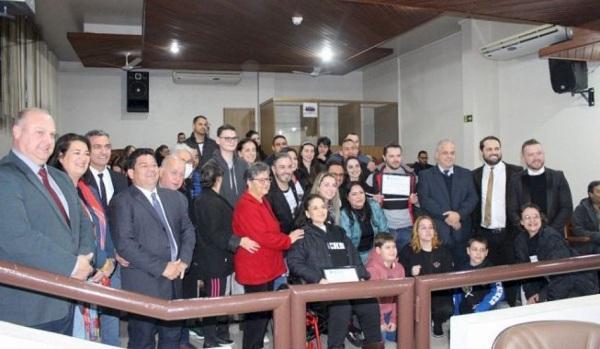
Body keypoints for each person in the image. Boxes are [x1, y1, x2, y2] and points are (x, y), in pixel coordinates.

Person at [0, 108, 94, 335]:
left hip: (64, 299)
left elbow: (82, 223)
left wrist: (85, 256)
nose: (47, 141)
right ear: (17, 132)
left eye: (52, 135)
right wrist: (72, 265)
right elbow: (17, 238)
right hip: (28, 306)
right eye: (40, 132)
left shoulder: (59, 177)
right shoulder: (5, 177)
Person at [109, 148, 196, 349]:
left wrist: (183, 261)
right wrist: (163, 267)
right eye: (143, 165)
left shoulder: (175, 198)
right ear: (130, 173)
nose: (151, 169)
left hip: (175, 280)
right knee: (143, 339)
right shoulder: (122, 201)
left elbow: (188, 230)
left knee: (172, 337)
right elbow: (125, 243)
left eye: (154, 165)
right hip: (143, 282)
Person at [287, 194, 383, 349]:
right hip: (321, 288)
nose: (321, 211)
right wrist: (317, 278)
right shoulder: (302, 235)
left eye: (323, 207)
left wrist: (361, 276)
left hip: (348, 285)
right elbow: (294, 263)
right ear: (307, 213)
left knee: (369, 303)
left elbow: (354, 257)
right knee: (342, 306)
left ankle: (374, 345)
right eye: (315, 208)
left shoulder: (338, 232)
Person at [49, 133, 119, 344]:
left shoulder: (87, 190)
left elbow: (103, 226)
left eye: (86, 153)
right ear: (60, 156)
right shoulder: (53, 190)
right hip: (72, 271)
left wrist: (108, 261)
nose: (83, 158)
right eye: (76, 153)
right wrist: (96, 262)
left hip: (98, 267)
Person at [187, 159, 259, 348]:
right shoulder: (209, 201)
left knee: (219, 299)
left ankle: (217, 335)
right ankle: (210, 340)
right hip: (214, 260)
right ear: (219, 178)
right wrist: (238, 241)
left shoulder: (205, 198)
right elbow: (215, 233)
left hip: (217, 258)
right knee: (215, 300)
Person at [232, 162, 304, 349]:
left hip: (267, 265)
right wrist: (287, 240)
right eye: (262, 180)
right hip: (255, 268)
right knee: (256, 317)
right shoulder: (246, 205)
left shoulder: (262, 200)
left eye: (268, 179)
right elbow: (262, 237)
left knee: (263, 314)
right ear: (249, 182)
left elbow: (272, 230)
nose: (267, 183)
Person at [514, 203, 598, 304]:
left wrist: (544, 297)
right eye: (527, 218)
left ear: (541, 218)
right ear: (521, 222)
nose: (532, 221)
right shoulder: (520, 241)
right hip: (548, 285)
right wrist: (532, 293)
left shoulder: (551, 237)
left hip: (573, 286)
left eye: (536, 217)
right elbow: (524, 272)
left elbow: (562, 273)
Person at [417, 139, 478, 266]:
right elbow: (425, 200)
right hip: (438, 234)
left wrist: (458, 215)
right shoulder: (425, 175)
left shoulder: (466, 174)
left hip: (461, 232)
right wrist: (447, 217)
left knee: (462, 271)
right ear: (437, 155)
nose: (449, 156)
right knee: (439, 273)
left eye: (452, 153)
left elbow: (473, 198)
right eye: (445, 153)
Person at [399, 216, 454, 337]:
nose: (428, 231)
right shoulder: (407, 250)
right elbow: (400, 275)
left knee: (446, 309)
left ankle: (437, 321)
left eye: (431, 227)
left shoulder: (443, 250)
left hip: (438, 291)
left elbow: (449, 276)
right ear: (416, 231)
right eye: (423, 228)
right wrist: (410, 272)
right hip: (415, 292)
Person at [472, 136, 522, 266]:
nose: (494, 152)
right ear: (481, 152)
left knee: (511, 276)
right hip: (484, 235)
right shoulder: (474, 175)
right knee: (488, 276)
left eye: (497, 148)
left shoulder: (517, 172)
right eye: (489, 149)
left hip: (510, 234)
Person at [508, 139, 572, 234]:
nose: (536, 157)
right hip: (526, 236)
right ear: (523, 158)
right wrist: (528, 229)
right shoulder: (515, 179)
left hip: (554, 236)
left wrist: (550, 231)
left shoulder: (558, 177)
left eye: (539, 153)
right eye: (531, 155)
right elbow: (512, 210)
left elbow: (566, 207)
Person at [366, 143, 417, 250]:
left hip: (407, 227)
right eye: (391, 156)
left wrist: (416, 201)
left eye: (398, 156)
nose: (395, 159)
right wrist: (372, 200)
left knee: (406, 262)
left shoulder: (412, 177)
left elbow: (421, 200)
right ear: (384, 157)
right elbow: (363, 202)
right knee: (385, 263)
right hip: (385, 228)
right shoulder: (373, 177)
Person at [365, 233, 405, 342]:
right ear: (378, 250)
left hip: (390, 311)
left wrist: (394, 319)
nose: (392, 250)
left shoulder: (400, 268)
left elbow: (400, 297)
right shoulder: (371, 269)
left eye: (394, 247)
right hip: (375, 311)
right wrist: (381, 321)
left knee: (406, 336)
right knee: (377, 343)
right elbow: (373, 299)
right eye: (387, 247)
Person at [452, 236, 504, 315]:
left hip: (488, 308)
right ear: (468, 251)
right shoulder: (462, 271)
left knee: (504, 307)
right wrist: (456, 315)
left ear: (486, 252)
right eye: (475, 249)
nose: (478, 253)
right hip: (467, 310)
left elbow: (499, 292)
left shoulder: (491, 269)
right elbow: (457, 296)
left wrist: (479, 309)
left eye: (482, 250)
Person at [340, 181, 389, 262]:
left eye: (361, 192)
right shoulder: (344, 214)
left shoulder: (374, 206)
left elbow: (384, 231)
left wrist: (380, 253)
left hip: (375, 252)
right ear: (348, 198)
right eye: (354, 194)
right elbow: (347, 243)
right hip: (355, 256)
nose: (359, 196)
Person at [83, 130, 129, 208]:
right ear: (87, 150)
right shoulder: (80, 178)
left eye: (107, 147)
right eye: (97, 147)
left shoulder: (121, 179)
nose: (104, 152)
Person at [266, 152, 303, 234]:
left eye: (289, 167)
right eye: (282, 167)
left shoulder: (293, 185)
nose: (287, 171)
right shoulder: (268, 193)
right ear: (274, 169)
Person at [211, 124, 248, 206]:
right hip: (221, 214)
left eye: (234, 138)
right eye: (227, 138)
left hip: (242, 213)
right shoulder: (211, 166)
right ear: (218, 140)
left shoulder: (243, 164)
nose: (232, 141)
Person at [572, 180, 600, 254]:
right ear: (591, 194)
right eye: (598, 192)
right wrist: (596, 236)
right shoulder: (581, 209)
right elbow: (578, 230)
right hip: (590, 244)